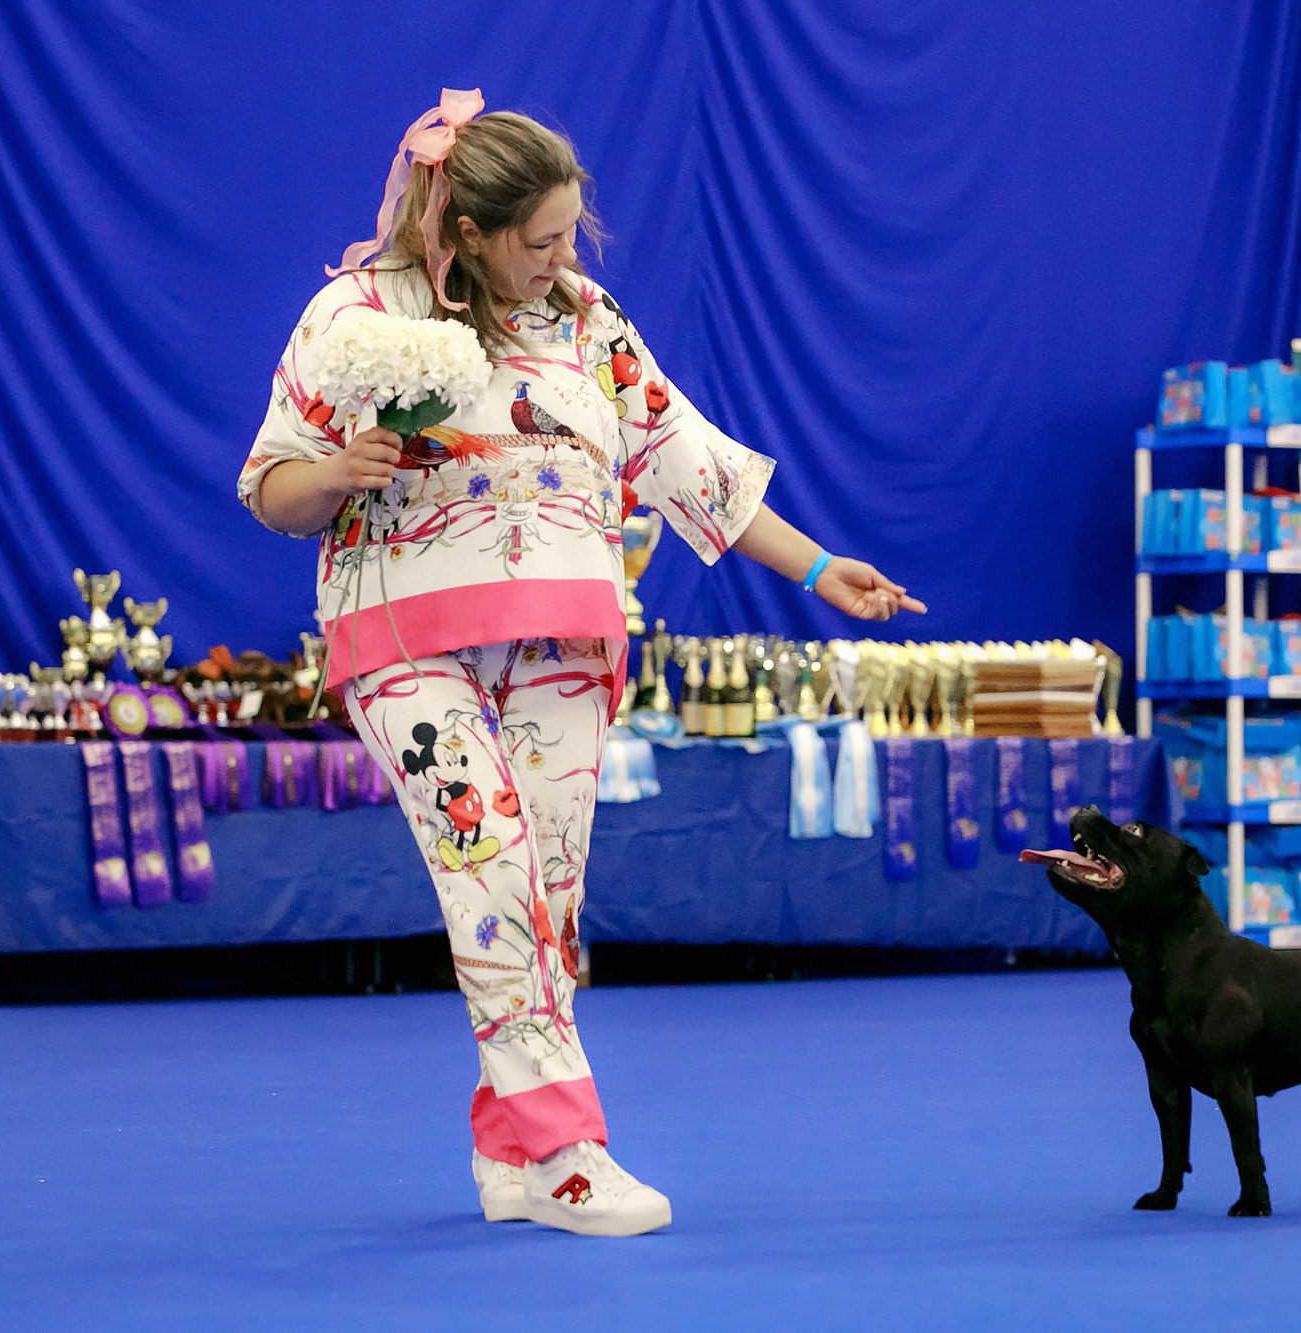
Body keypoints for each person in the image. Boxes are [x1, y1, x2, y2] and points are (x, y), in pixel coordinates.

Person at [239, 88, 923, 1238]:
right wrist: (343, 469)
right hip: (405, 641)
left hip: (564, 636)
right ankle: (566, 1150)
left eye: (572, 233)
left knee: (548, 895)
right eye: (540, 238)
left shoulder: (586, 319)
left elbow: (681, 454)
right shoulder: (351, 315)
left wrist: (817, 568)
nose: (564, 256)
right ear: (464, 231)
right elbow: (271, 487)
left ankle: (507, 1145)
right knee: (490, 865)